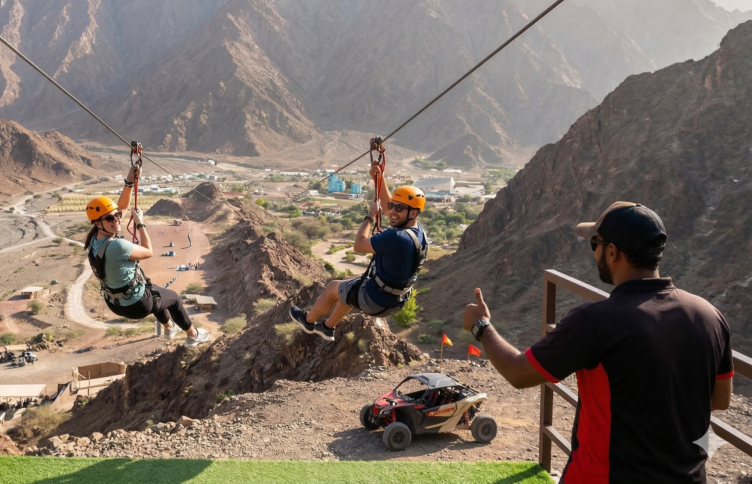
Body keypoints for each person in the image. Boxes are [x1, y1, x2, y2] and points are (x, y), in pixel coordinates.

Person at [462, 202, 733, 483]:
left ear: (613, 252)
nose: (594, 253)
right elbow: (719, 400)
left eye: (595, 243)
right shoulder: (709, 316)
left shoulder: (594, 321)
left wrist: (481, 326)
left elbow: (519, 373)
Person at [289, 163, 428, 341]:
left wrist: (370, 216)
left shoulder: (397, 237)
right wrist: (379, 178)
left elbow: (359, 245)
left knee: (333, 287)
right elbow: (386, 208)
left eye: (399, 208)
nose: (392, 211)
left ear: (413, 212)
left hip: (377, 301)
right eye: (393, 205)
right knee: (348, 283)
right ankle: (327, 327)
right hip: (394, 300)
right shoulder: (418, 232)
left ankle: (308, 321)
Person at [85, 165, 210, 347]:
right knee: (173, 298)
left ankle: (169, 328)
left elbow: (121, 207)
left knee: (153, 290)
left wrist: (129, 181)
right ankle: (193, 335)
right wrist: (141, 224)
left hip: (115, 303)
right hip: (136, 306)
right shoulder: (117, 246)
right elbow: (148, 251)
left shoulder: (93, 241)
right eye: (110, 218)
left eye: (116, 216)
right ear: (98, 223)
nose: (117, 220)